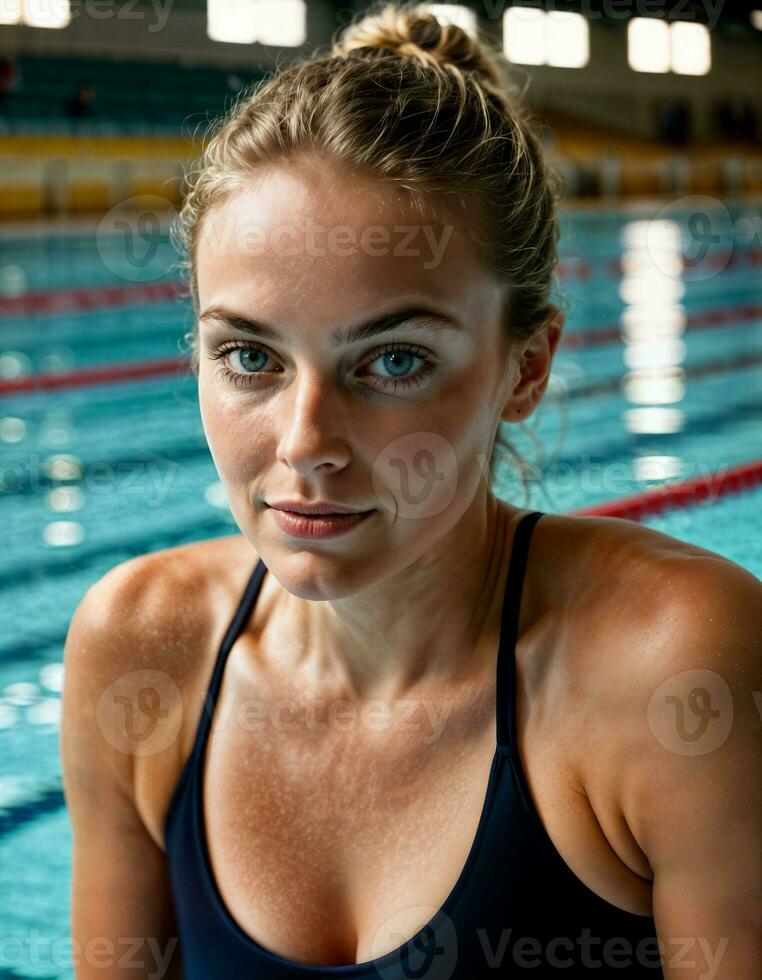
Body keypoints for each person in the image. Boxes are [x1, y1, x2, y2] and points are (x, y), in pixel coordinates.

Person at [60, 3, 761, 978]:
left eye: (394, 359)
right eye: (250, 354)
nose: (306, 444)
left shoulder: (671, 667)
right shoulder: (142, 650)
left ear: (527, 365)